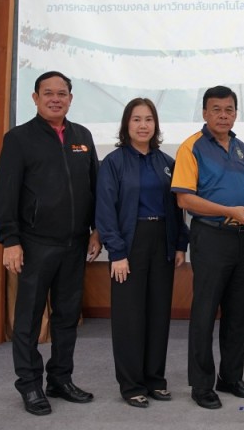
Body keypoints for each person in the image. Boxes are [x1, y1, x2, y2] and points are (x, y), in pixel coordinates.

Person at [0, 71, 101, 416]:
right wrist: (10, 240)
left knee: (67, 317)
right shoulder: (19, 138)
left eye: (62, 93)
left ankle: (60, 379)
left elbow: (95, 187)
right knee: (28, 319)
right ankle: (29, 385)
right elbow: (4, 193)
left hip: (75, 244)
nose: (56, 99)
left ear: (70, 98)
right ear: (35, 98)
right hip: (35, 244)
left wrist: (96, 230)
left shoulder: (82, 136)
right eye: (48, 93)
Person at [95, 98, 189, 408]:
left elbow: (177, 207)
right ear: (126, 124)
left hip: (162, 242)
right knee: (129, 317)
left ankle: (155, 380)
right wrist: (117, 252)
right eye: (136, 119)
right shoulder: (114, 162)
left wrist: (180, 244)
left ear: (156, 125)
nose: (143, 125)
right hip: (129, 244)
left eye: (149, 119)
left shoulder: (167, 162)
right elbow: (105, 210)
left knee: (158, 315)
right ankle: (131, 384)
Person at [171, 85, 244, 409]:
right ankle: (201, 384)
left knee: (239, 313)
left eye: (229, 110)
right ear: (205, 113)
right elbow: (184, 199)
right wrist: (228, 211)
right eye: (216, 110)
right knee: (205, 313)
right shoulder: (191, 147)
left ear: (236, 113)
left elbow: (240, 186)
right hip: (210, 236)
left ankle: (231, 377)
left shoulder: (240, 147)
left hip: (243, 237)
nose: (223, 115)